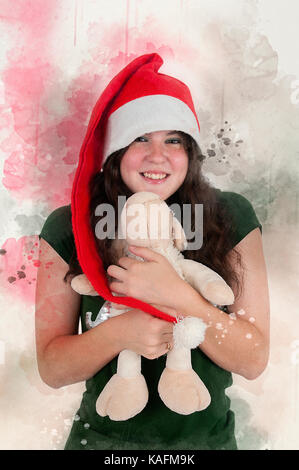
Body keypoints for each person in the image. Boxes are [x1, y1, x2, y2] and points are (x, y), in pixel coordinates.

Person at [35, 53, 270, 450]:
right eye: (140, 137)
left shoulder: (230, 215)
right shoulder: (69, 225)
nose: (157, 156)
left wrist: (178, 296)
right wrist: (120, 333)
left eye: (173, 140)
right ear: (116, 151)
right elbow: (52, 369)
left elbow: (253, 359)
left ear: (189, 153)